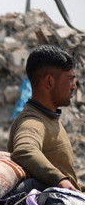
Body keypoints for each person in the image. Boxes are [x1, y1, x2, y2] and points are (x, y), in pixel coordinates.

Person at [7, 44, 84, 194]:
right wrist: (60, 181)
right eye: (70, 78)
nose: (74, 86)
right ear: (49, 82)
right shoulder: (31, 121)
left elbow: (70, 181)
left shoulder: (49, 117)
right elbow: (25, 150)